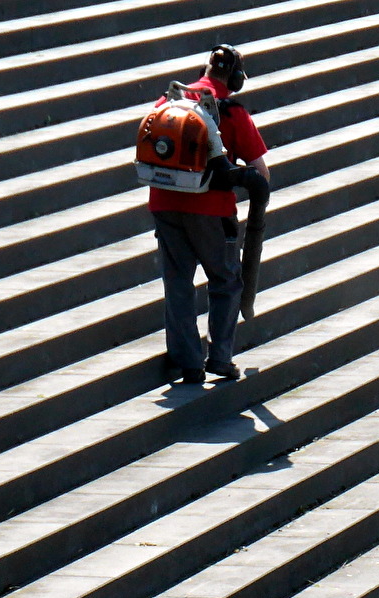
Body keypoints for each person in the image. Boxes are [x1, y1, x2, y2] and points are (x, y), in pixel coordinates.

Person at [150, 45, 270, 384]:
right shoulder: (229, 111)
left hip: (164, 205)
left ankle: (189, 363)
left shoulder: (168, 102)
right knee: (226, 282)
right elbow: (261, 172)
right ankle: (219, 358)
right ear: (234, 78)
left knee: (177, 284)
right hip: (211, 212)